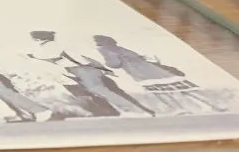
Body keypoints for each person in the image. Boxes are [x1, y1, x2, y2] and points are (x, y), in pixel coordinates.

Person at [28, 31, 152, 118]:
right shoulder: (56, 45)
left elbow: (66, 60)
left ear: (37, 39)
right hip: (88, 69)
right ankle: (143, 110)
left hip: (80, 70)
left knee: (100, 90)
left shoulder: (47, 48)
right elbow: (83, 57)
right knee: (114, 90)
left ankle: (135, 111)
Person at [93, 35, 227, 115]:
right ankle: (213, 105)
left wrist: (107, 64)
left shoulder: (105, 50)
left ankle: (179, 109)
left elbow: (114, 64)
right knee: (183, 89)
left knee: (160, 92)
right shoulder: (120, 47)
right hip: (152, 69)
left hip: (139, 73)